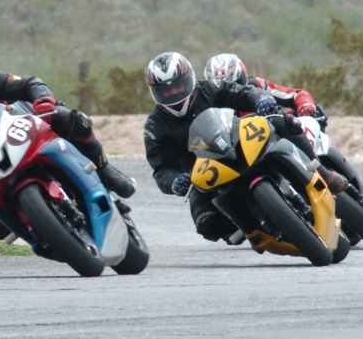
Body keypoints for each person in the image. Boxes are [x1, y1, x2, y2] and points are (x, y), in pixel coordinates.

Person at [0, 56, 136, 240]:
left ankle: (104, 169)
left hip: (24, 131)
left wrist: (44, 100)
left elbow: (30, 83)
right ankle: (39, 230)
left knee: (70, 118)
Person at [143, 51, 347, 246]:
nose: (173, 93)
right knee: (206, 224)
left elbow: (243, 92)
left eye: (178, 86)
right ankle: (251, 228)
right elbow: (162, 169)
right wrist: (174, 181)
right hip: (205, 174)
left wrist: (261, 100)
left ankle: (321, 170)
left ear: (189, 80)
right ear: (155, 93)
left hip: (238, 142)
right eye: (166, 91)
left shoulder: (210, 88)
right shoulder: (154, 127)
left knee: (283, 121)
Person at [203, 53, 317, 117]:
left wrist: (305, 105)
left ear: (242, 77)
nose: (231, 91)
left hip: (269, 140)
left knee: (312, 115)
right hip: (228, 147)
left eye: (234, 84)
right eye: (220, 87)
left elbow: (296, 94)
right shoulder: (203, 99)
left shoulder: (257, 85)